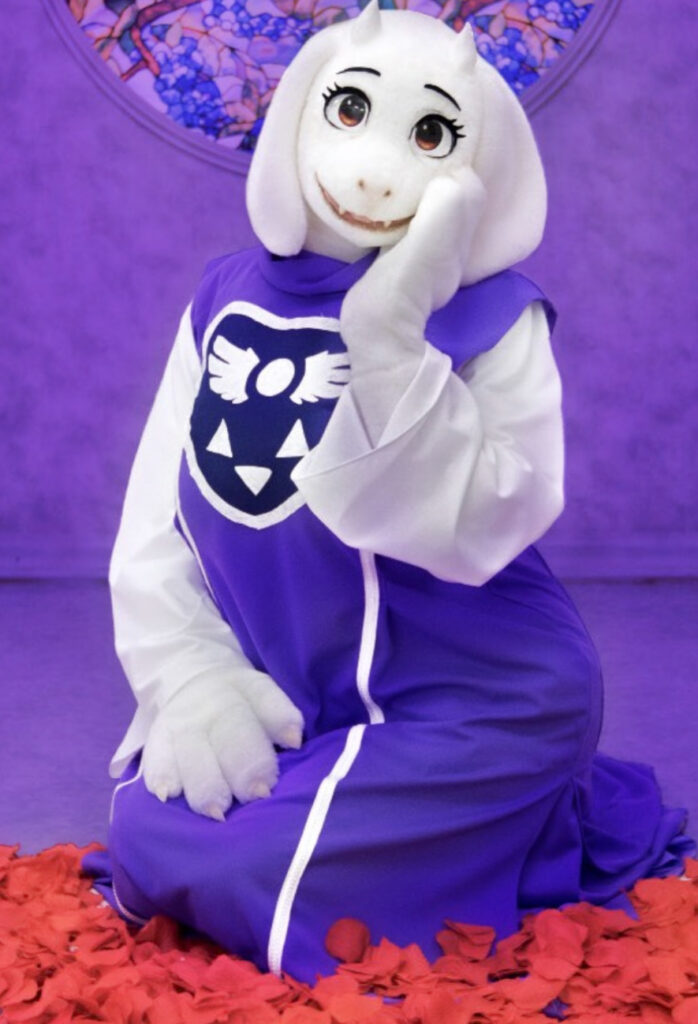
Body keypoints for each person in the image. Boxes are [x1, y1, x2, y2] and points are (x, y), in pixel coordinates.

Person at [83, 2, 695, 983]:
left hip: (488, 698)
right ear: (302, 114)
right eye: (350, 111)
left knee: (245, 865)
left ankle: (501, 808)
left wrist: (390, 338)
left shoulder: (495, 317)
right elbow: (160, 517)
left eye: (430, 133)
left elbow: (491, 520)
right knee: (146, 821)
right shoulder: (221, 299)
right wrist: (190, 679)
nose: (374, 168)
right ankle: (490, 830)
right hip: (314, 700)